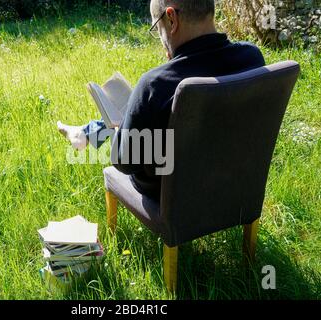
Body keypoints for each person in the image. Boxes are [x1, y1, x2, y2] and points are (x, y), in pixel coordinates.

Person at [58, 0, 265, 201]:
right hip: (235, 185)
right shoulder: (252, 58)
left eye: (157, 28)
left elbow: (124, 162)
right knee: (143, 114)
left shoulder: (155, 85)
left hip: (173, 196)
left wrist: (118, 130)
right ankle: (86, 133)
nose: (160, 37)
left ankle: (86, 134)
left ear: (171, 19)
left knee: (131, 122)